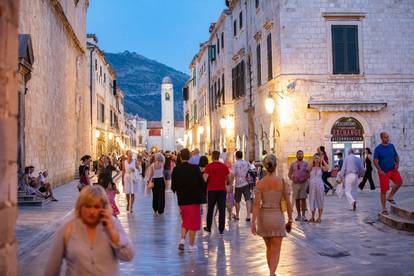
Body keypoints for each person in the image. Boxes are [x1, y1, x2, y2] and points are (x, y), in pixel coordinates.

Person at [44, 185, 134, 276]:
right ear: (80, 206)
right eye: (87, 206)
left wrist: (112, 233)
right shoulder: (67, 228)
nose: (92, 211)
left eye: (96, 207)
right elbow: (52, 268)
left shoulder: (113, 224)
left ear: (104, 207)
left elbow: (128, 256)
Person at [251, 154, 293, 276]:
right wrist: (290, 220)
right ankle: (272, 272)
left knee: (269, 247)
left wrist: (253, 222)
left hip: (264, 218)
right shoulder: (282, 182)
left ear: (265, 167)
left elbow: (256, 205)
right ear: (275, 166)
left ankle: (272, 272)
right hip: (277, 217)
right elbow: (289, 204)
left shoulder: (260, 183)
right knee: (276, 249)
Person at [171, 149, 206, 252]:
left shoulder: (176, 169)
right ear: (190, 157)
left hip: (182, 200)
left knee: (186, 220)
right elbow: (201, 183)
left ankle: (182, 240)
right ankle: (191, 245)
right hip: (194, 199)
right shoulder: (195, 169)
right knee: (193, 223)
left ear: (180, 157)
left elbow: (173, 186)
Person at [373, 132, 403, 215]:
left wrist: (397, 164)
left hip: (393, 170)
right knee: (383, 190)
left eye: (388, 137)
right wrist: (379, 170)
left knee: (399, 182)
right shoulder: (378, 148)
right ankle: (384, 208)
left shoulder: (391, 146)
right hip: (384, 172)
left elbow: (396, 156)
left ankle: (390, 196)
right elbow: (375, 161)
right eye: (385, 137)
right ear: (381, 138)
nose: (387, 138)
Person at [203, 150, 231, 235]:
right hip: (222, 190)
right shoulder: (224, 166)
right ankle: (221, 229)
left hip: (211, 190)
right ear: (219, 157)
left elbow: (205, 179)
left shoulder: (208, 167)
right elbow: (228, 178)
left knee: (210, 209)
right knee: (222, 209)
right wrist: (227, 182)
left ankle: (208, 227)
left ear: (212, 157)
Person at [288, 150, 309, 222]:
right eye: (298, 154)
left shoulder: (306, 164)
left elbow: (308, 174)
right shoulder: (293, 164)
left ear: (303, 155)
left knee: (303, 199)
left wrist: (304, 178)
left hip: (304, 183)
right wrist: (292, 179)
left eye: (301, 154)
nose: (300, 156)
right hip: (295, 184)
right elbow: (289, 174)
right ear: (296, 155)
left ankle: (304, 215)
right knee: (297, 199)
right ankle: (298, 215)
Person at [307, 154, 329, 223]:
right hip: (312, 186)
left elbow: (327, 168)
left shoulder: (321, 168)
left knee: (320, 200)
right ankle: (312, 217)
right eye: (315, 158)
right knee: (312, 200)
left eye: (318, 158)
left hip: (319, 185)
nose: (316, 159)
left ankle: (319, 217)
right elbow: (307, 169)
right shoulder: (311, 167)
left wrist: (322, 160)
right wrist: (312, 160)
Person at [231, 151, 252, 221]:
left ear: (236, 156)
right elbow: (251, 171)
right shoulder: (246, 163)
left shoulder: (235, 164)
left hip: (238, 185)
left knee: (237, 201)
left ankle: (237, 215)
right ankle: (248, 215)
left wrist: (231, 183)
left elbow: (233, 175)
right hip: (246, 183)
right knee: (248, 199)